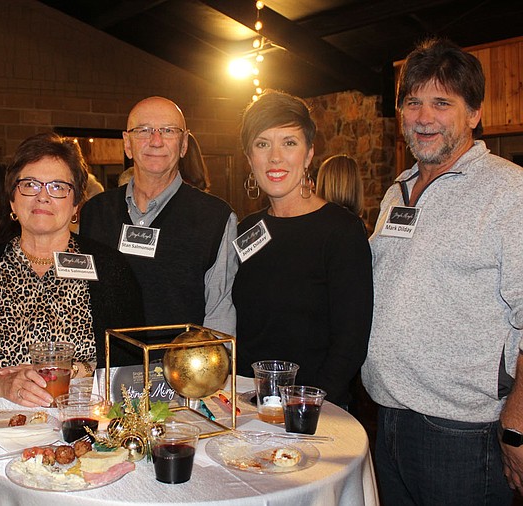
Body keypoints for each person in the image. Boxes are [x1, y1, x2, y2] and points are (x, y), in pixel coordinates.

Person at [361, 38, 523, 505]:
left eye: (441, 103)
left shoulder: (508, 192)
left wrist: (516, 423)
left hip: (461, 433)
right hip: (387, 416)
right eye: (413, 102)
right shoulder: (398, 189)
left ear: (473, 113)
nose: (423, 117)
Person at [0, 132, 143, 467]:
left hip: (88, 450)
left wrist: (82, 374)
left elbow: (132, 375)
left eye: (57, 187)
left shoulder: (110, 271)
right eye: (30, 185)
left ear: (76, 202)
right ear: (11, 199)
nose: (43, 197)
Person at [232, 90, 373, 407]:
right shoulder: (246, 230)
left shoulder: (341, 231)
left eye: (289, 143)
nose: (275, 157)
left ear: (309, 154)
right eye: (262, 144)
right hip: (246, 404)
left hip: (313, 409)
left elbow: (350, 341)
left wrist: (305, 404)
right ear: (249, 157)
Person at [80, 96, 237, 341]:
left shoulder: (216, 218)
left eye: (168, 131)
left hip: (181, 374)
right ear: (127, 143)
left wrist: (209, 374)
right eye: (143, 131)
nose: (156, 141)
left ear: (184, 144)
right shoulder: (95, 212)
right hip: (107, 373)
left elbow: (220, 314)